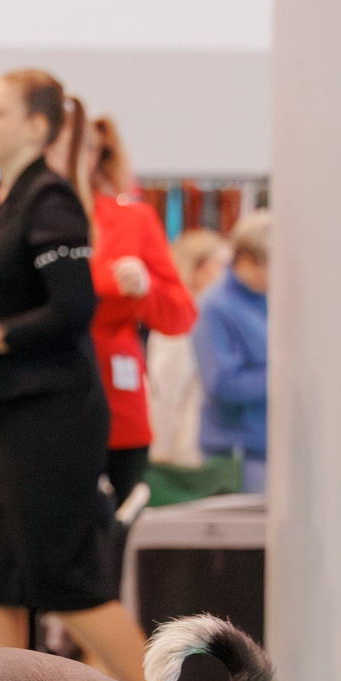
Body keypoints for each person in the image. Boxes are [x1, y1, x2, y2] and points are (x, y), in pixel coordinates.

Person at [0, 70, 151, 681]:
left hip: (51, 420)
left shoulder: (51, 199)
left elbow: (72, 311)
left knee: (67, 585)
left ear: (36, 127)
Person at [83, 117, 193, 509]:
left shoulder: (133, 219)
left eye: (87, 148)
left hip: (116, 403)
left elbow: (180, 315)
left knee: (119, 529)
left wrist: (146, 290)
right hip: (45, 404)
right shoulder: (27, 215)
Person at [196, 211, 271, 493]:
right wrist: (282, 375)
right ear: (248, 261)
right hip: (237, 454)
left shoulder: (268, 302)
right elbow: (222, 384)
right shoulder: (215, 307)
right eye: (271, 265)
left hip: (267, 447)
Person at [146, 227, 226, 468]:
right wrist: (161, 452)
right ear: (198, 269)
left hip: (202, 451)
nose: (227, 274)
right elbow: (165, 392)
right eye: (220, 265)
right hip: (182, 458)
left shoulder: (204, 318)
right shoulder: (178, 326)